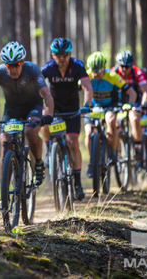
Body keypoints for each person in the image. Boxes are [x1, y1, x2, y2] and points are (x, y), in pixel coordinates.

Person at [0, 41, 54, 192]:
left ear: (22, 61)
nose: (13, 69)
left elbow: (47, 95)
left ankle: (39, 163)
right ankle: (4, 193)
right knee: (5, 144)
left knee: (30, 132)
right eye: (10, 65)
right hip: (11, 110)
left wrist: (48, 114)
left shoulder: (32, 69)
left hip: (33, 106)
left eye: (17, 64)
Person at [41, 38, 92, 200]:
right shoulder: (48, 68)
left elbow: (87, 87)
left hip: (72, 108)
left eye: (65, 55)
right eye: (57, 55)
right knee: (43, 116)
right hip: (55, 107)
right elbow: (37, 87)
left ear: (70, 54)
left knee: (73, 143)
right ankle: (49, 148)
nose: (61, 58)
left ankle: (77, 183)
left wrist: (86, 105)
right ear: (52, 55)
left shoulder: (77, 66)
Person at [84, 52, 136, 178]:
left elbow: (132, 92)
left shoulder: (112, 76)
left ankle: (113, 152)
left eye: (99, 71)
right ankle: (93, 161)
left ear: (104, 68)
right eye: (93, 71)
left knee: (111, 121)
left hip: (109, 106)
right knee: (88, 132)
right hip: (93, 108)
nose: (96, 74)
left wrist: (129, 104)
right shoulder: (86, 76)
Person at [111, 50, 147, 161]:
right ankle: (117, 152)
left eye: (127, 66)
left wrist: (144, 103)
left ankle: (137, 147)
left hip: (135, 101)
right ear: (117, 64)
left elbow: (146, 91)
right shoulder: (112, 72)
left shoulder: (137, 73)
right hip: (118, 102)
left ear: (132, 65)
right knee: (115, 123)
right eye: (122, 66)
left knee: (134, 118)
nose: (124, 69)